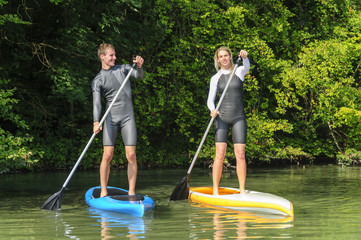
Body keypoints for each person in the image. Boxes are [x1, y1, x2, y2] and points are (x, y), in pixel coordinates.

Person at [92, 43, 144, 197]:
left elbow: (139, 76)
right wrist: (96, 121)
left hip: (128, 117)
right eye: (111, 55)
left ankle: (132, 192)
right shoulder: (98, 80)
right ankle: (103, 191)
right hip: (110, 119)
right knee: (107, 155)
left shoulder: (124, 69)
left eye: (115, 55)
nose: (115, 57)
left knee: (131, 155)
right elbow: (96, 103)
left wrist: (139, 67)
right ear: (102, 57)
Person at [207, 46, 250, 195]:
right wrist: (212, 110)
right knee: (219, 154)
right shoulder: (216, 77)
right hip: (222, 117)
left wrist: (245, 57)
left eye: (226, 55)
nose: (224, 58)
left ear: (231, 56)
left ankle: (242, 189)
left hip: (238, 117)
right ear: (218, 60)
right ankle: (215, 189)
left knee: (240, 154)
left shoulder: (238, 70)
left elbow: (247, 67)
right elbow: (210, 100)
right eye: (221, 56)